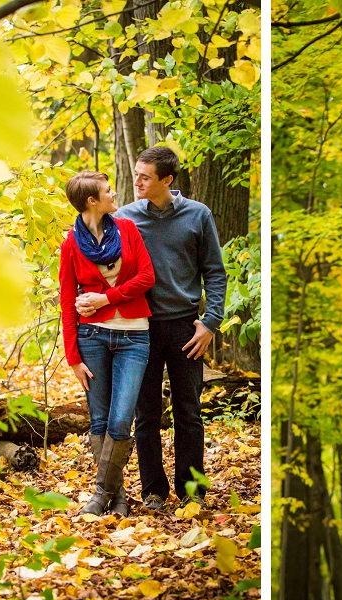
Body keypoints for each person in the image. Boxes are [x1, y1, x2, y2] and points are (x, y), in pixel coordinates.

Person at [112, 147, 227, 510]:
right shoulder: (124, 218)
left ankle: (193, 490)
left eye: (146, 176)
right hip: (139, 329)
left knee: (188, 412)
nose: (138, 181)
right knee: (145, 413)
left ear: (167, 179)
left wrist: (210, 323)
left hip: (185, 329)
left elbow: (215, 271)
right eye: (136, 173)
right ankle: (154, 491)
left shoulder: (198, 215)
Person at [59, 171, 155, 516]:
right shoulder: (71, 243)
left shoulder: (127, 230)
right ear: (91, 202)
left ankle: (100, 494)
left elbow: (147, 276)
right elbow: (67, 300)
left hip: (134, 336)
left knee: (120, 421)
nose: (114, 194)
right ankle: (118, 498)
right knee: (99, 420)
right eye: (107, 191)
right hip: (92, 338)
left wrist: (104, 299)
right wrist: (72, 357)